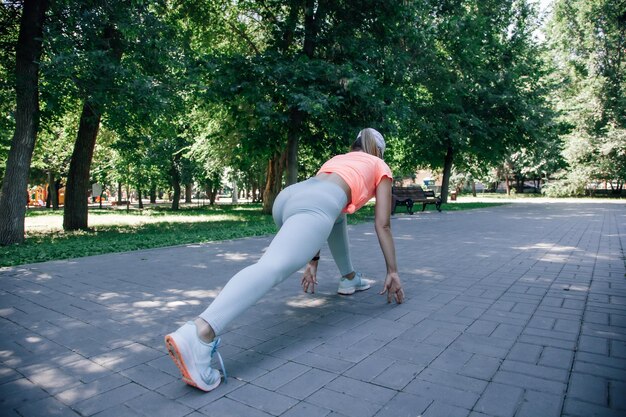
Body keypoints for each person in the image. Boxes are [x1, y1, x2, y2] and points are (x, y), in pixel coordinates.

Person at [165, 128, 404, 392]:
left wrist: (312, 261)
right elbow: (382, 225)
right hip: (315, 205)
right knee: (271, 267)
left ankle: (349, 278)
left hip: (290, 197)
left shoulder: (339, 159)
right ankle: (200, 332)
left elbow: (330, 210)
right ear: (378, 150)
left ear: (354, 144)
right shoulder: (380, 165)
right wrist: (392, 270)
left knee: (338, 213)